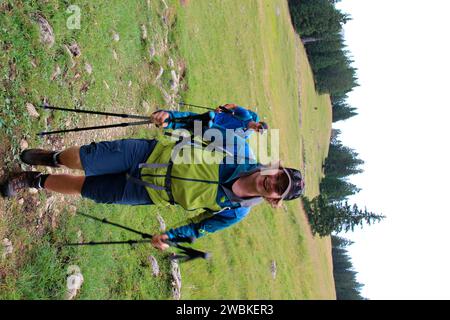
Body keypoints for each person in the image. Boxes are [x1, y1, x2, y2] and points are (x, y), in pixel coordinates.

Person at [1, 111, 303, 251]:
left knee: (87, 188)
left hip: (148, 193)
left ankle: (33, 181)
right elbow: (201, 125)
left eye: (279, 188)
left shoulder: (236, 211)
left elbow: (199, 228)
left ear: (274, 199)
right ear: (276, 167)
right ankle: (54, 158)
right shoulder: (238, 150)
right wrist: (170, 117)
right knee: (83, 159)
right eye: (279, 176)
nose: (273, 182)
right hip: (150, 154)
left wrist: (170, 237)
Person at [160, 104, 268, 138]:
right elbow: (234, 106)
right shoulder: (246, 115)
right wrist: (221, 108)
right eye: (259, 127)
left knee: (189, 124)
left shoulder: (245, 135)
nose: (257, 129)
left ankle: (166, 121)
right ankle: (166, 119)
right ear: (259, 123)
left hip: (212, 130)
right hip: (214, 118)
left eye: (259, 131)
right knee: (189, 118)